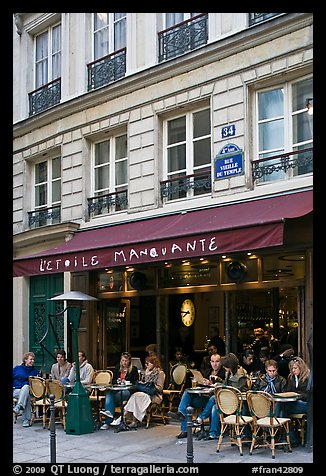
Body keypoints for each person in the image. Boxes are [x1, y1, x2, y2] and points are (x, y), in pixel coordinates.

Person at [167, 353, 225, 439]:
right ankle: (183, 423)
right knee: (187, 394)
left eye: (217, 361)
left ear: (220, 362)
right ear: (210, 362)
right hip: (205, 398)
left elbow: (224, 387)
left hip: (215, 400)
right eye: (212, 361)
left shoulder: (223, 373)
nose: (215, 364)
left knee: (212, 402)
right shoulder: (208, 371)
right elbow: (204, 385)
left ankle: (198, 419)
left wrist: (211, 384)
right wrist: (202, 382)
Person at [99, 352, 139, 429]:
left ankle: (108, 419)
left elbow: (135, 383)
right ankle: (109, 414)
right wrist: (117, 381)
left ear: (129, 361)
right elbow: (113, 381)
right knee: (109, 392)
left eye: (126, 361)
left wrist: (127, 382)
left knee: (111, 398)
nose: (124, 362)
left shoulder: (133, 369)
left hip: (127, 391)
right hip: (118, 390)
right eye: (123, 360)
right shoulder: (117, 368)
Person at [123, 354, 164, 428]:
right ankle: (129, 416)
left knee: (137, 396)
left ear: (154, 364)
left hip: (154, 394)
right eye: (146, 363)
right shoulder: (146, 372)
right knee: (135, 395)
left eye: (148, 363)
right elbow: (143, 382)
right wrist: (143, 383)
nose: (146, 365)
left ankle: (127, 416)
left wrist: (151, 385)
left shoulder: (160, 373)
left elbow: (160, 388)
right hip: (144, 392)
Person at [281, 356, 310, 445]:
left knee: (283, 408)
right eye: (292, 368)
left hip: (306, 404)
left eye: (295, 368)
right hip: (295, 403)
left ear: (301, 367)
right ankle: (290, 438)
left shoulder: (308, 377)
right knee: (282, 408)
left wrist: (299, 395)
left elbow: (309, 394)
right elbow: (288, 390)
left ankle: (286, 436)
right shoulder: (291, 377)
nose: (293, 370)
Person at [13, 352, 40, 427]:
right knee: (26, 394)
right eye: (31, 359)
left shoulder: (35, 371)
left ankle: (19, 406)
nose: (32, 361)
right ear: (25, 360)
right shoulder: (17, 369)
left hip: (27, 391)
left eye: (33, 359)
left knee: (26, 388)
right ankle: (26, 419)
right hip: (15, 390)